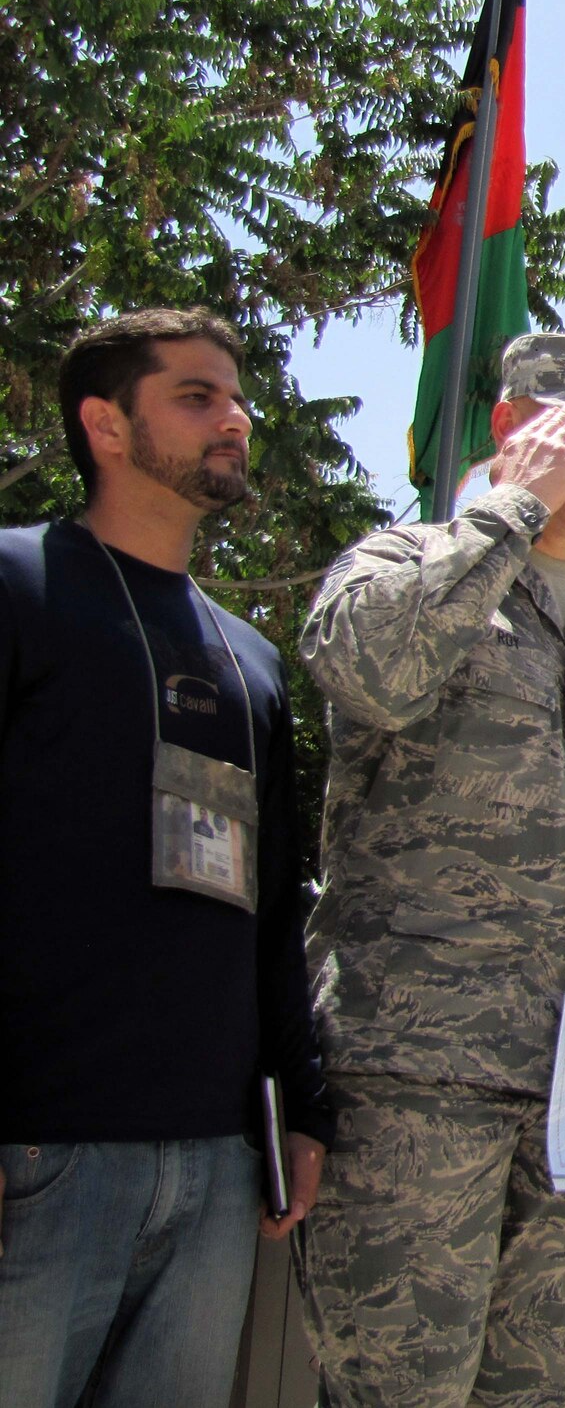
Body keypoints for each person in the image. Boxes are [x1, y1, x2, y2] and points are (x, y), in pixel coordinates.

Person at [295, 333, 565, 1408]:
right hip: (418, 1086)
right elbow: (367, 668)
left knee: (536, 1391)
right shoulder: (408, 565)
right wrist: (510, 511)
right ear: (509, 427)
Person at [0, 308, 330, 1406]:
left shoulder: (253, 662)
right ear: (105, 424)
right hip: (37, 1154)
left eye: (237, 397)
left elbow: (276, 906)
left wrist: (302, 1110)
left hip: (215, 1168)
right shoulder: (18, 587)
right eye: (196, 396)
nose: (236, 419)